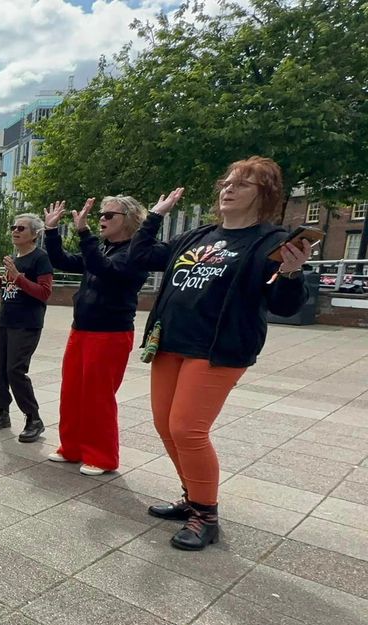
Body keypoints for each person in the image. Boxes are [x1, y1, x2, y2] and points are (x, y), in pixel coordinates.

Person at [129, 157, 311, 551]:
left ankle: (205, 515)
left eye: (242, 184)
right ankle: (191, 496)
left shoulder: (269, 242)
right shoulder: (200, 236)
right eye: (226, 183)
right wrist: (154, 217)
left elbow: (283, 305)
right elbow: (141, 257)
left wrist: (294, 274)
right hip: (170, 343)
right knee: (166, 425)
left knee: (187, 429)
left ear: (264, 195)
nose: (229, 189)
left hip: (217, 349)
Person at [44, 197, 150, 475]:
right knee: (72, 392)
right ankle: (72, 448)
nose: (101, 219)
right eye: (101, 214)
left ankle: (102, 457)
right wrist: (52, 231)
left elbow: (106, 270)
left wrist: (83, 233)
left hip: (111, 333)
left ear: (127, 219)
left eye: (109, 215)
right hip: (82, 329)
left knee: (98, 396)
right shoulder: (102, 248)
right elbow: (62, 260)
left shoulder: (136, 252)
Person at [0, 214, 54, 443]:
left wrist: (18, 277)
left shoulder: (40, 258)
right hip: (4, 319)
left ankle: (33, 418)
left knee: (15, 370)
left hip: (26, 323)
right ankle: (2, 413)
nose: (15, 230)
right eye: (13, 226)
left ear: (34, 234)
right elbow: (9, 288)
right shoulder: (16, 258)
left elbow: (44, 292)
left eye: (21, 228)